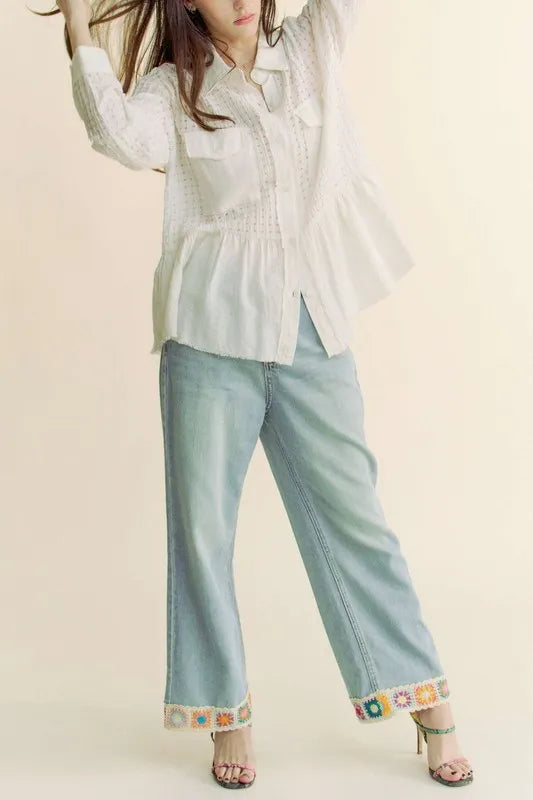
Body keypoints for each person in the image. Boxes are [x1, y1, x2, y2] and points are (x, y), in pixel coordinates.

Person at [54, 0, 474, 789]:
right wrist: (78, 31)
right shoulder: (174, 90)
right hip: (209, 335)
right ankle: (226, 714)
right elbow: (117, 136)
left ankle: (424, 697)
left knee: (356, 517)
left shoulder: (310, 48)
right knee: (202, 532)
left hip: (310, 329)